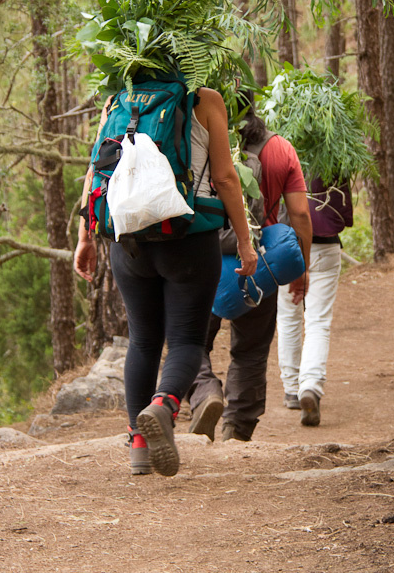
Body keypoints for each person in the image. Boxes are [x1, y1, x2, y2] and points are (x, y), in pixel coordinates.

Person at [73, 86, 257, 477]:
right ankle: (164, 404)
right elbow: (225, 178)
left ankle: (138, 446)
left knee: (142, 340)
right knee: (187, 340)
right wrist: (244, 241)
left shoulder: (119, 99)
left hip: (128, 240)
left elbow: (95, 170)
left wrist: (85, 238)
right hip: (189, 236)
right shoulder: (204, 99)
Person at [189, 96, 312, 442]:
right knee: (251, 350)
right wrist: (300, 269)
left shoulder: (195, 142)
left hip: (202, 258)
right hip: (259, 262)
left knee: (189, 339)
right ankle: (237, 429)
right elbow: (300, 214)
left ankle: (205, 393)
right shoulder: (280, 149)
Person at [276, 177, 353, 426]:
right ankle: (310, 385)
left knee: (288, 317)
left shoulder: (280, 157)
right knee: (318, 321)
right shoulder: (334, 161)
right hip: (326, 246)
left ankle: (291, 389)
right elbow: (345, 213)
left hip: (285, 245)